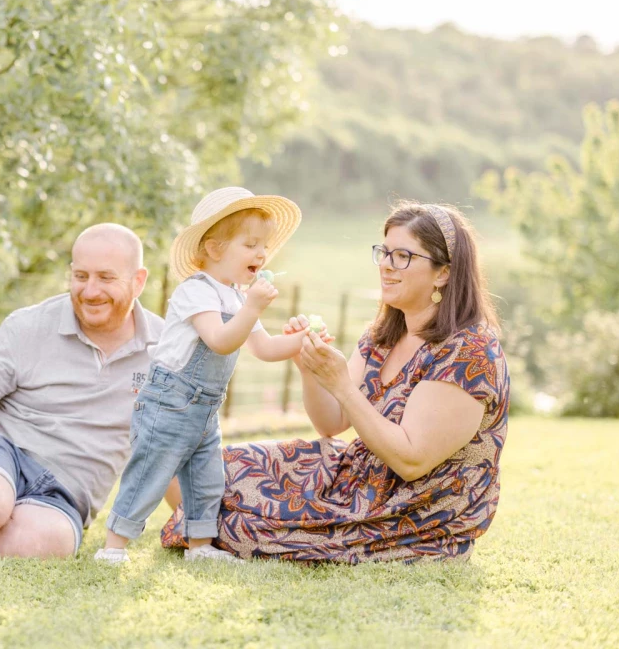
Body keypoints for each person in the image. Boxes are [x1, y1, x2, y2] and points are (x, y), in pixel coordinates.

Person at [160, 202, 509, 562]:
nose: (386, 265)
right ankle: (204, 528)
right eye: (384, 253)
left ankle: (209, 530)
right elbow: (332, 423)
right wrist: (308, 366)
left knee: (243, 527)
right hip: (356, 477)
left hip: (413, 512)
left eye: (403, 256)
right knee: (196, 466)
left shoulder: (469, 351)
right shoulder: (383, 336)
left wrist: (341, 384)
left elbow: (411, 461)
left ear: (443, 274)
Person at [0, 224, 164, 559]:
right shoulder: (28, 326)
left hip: (66, 491)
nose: (90, 291)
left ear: (138, 280)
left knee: (47, 541)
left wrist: (202, 528)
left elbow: (175, 444)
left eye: (106, 278)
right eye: (81, 276)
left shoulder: (165, 352)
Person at [96, 187, 313, 564]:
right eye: (250, 244)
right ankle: (114, 547)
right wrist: (253, 308)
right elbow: (220, 341)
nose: (261, 254)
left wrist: (300, 340)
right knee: (151, 471)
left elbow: (262, 349)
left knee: (206, 478)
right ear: (214, 249)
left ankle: (200, 547)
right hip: (170, 402)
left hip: (204, 408)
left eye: (263, 246)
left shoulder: (236, 297)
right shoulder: (196, 291)